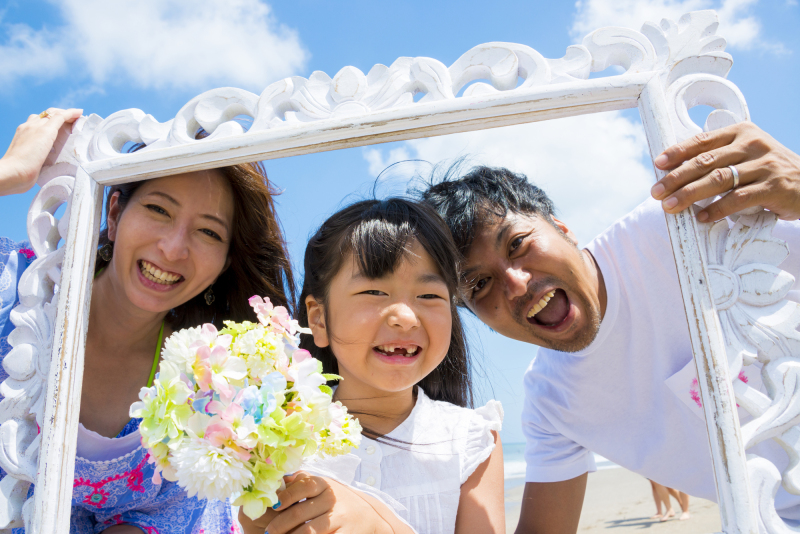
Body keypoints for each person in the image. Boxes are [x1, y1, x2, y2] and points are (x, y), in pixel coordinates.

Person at [420, 121, 800, 533]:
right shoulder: (553, 403)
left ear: (561, 228)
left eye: (517, 244)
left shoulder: (681, 228)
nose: (516, 284)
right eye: (479, 285)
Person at [0, 108, 296, 533]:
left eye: (208, 233)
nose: (173, 249)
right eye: (159, 210)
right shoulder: (17, 286)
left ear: (224, 263)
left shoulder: (209, 388)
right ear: (115, 213)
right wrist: (10, 172)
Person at [238, 199, 505, 534]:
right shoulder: (274, 433)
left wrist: (381, 527)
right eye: (375, 291)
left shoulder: (471, 441)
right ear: (318, 319)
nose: (405, 318)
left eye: (429, 296)